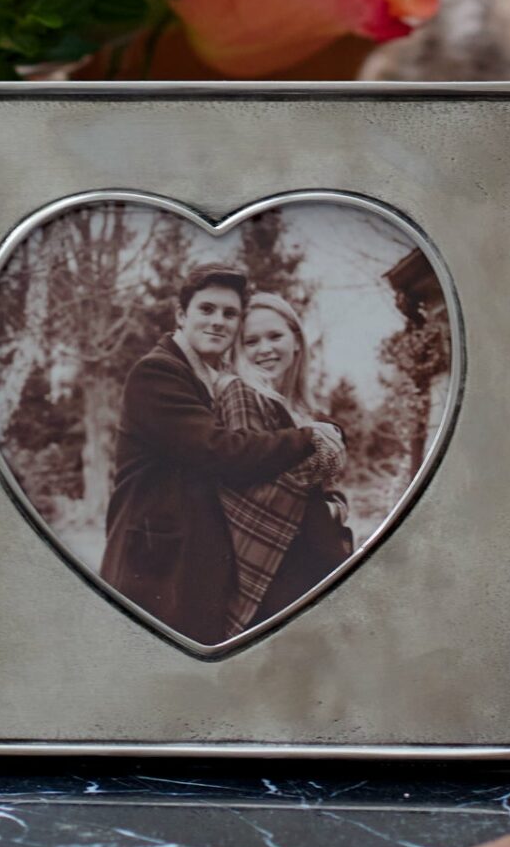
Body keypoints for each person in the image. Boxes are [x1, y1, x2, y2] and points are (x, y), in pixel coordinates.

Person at [99, 263, 321, 647]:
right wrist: (309, 438)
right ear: (181, 315)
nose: (218, 321)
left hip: (190, 565)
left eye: (229, 313)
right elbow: (220, 450)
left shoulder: (207, 378)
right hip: (154, 566)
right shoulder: (157, 373)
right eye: (207, 309)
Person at [214, 293, 353, 634]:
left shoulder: (297, 406)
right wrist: (322, 500)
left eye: (275, 336)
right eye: (251, 341)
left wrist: (334, 505)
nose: (264, 349)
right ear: (236, 350)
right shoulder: (242, 393)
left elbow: (321, 485)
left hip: (306, 558)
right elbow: (246, 481)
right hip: (274, 568)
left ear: (296, 342)